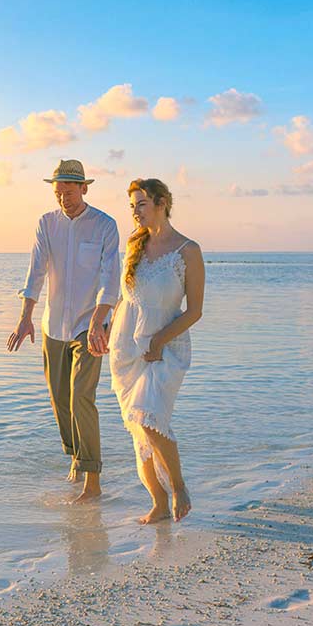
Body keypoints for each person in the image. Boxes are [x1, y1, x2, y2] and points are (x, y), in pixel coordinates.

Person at [7, 159, 121, 503]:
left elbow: (110, 276)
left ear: (84, 188)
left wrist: (101, 318)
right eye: (58, 193)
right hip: (52, 326)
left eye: (69, 192)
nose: (63, 199)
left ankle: (92, 480)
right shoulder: (47, 224)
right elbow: (36, 273)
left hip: (90, 327)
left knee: (81, 397)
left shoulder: (105, 225)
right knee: (60, 401)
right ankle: (76, 455)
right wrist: (25, 316)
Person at [107, 178, 205, 524]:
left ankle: (178, 488)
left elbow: (194, 311)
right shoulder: (135, 245)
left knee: (149, 417)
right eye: (132, 206)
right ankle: (158, 503)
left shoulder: (187, 251)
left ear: (162, 202)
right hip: (126, 347)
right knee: (137, 427)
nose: (134, 212)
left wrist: (159, 340)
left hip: (165, 346)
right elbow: (125, 298)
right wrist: (102, 327)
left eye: (141, 204)